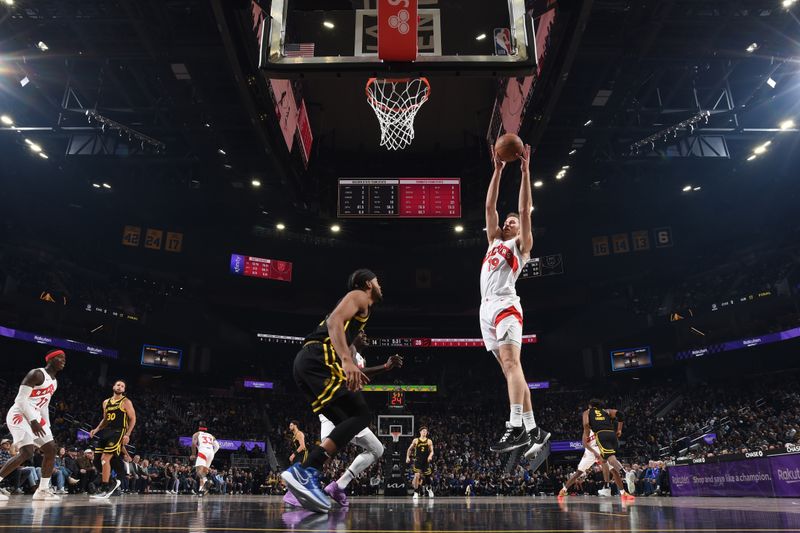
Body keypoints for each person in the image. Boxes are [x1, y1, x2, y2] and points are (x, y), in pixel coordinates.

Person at [281, 269, 381, 513]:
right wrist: (347, 361)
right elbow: (333, 321)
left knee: (348, 423)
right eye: (378, 281)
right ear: (368, 284)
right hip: (317, 358)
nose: (381, 286)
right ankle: (305, 471)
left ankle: (308, 475)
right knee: (362, 415)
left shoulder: (360, 314)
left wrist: (351, 362)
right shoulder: (360, 296)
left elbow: (341, 336)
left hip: (309, 363)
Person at [482, 144, 550, 457]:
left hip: (506, 304)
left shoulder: (521, 245)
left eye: (513, 222)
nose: (509, 222)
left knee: (511, 364)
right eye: (506, 222)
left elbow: (524, 211)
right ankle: (534, 428)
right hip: (486, 308)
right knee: (512, 369)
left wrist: (524, 172)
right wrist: (497, 170)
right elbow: (489, 209)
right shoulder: (494, 240)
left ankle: (515, 427)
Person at [315, 330, 401, 507]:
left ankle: (336, 486)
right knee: (374, 449)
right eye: (361, 332)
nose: (365, 335)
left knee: (372, 449)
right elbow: (355, 371)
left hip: (340, 411)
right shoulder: (347, 349)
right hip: (339, 409)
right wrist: (385, 367)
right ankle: (322, 485)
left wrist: (381, 369)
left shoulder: (360, 357)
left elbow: (362, 376)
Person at [0, 349, 66, 501]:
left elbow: (44, 405)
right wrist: (33, 421)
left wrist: (47, 425)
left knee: (51, 449)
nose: (64, 361)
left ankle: (42, 490)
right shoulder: (36, 374)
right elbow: (20, 400)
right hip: (20, 414)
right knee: (27, 452)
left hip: (36, 416)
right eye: (60, 358)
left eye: (64, 358)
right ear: (50, 359)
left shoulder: (54, 382)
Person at [89, 379, 137, 498]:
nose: (120, 387)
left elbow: (133, 418)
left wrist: (128, 434)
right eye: (118, 385)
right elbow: (105, 419)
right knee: (97, 460)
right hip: (106, 432)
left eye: (122, 386)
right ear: (113, 387)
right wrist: (96, 429)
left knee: (105, 458)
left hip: (118, 431)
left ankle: (105, 488)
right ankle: (112, 482)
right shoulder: (106, 402)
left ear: (124, 390)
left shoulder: (126, 402)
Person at [583, 399, 635, 502]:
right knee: (603, 460)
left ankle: (626, 474)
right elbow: (620, 414)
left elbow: (586, 425)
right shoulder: (606, 411)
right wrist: (619, 429)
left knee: (610, 459)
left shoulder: (587, 412)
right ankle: (606, 487)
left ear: (590, 406)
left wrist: (587, 435)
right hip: (612, 435)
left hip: (601, 435)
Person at [558, 429, 611, 498]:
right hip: (590, 452)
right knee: (578, 472)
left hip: (600, 450)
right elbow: (584, 444)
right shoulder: (587, 430)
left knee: (611, 467)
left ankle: (609, 488)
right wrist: (594, 452)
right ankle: (564, 489)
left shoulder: (601, 427)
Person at [191, 422, 220, 496]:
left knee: (198, 472)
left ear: (199, 428)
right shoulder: (211, 436)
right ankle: (201, 491)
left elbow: (193, 444)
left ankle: (207, 480)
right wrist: (212, 453)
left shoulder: (196, 434)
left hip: (203, 452)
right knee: (203, 473)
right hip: (211, 453)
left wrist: (193, 454)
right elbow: (217, 446)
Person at [406, 426, 434, 500]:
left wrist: (430, 456)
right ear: (420, 432)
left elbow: (432, 451)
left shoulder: (429, 441)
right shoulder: (416, 440)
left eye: (426, 431)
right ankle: (416, 492)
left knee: (427, 477)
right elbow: (409, 449)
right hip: (418, 461)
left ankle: (429, 488)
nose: (425, 432)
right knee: (417, 475)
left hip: (426, 461)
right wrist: (407, 457)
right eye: (423, 431)